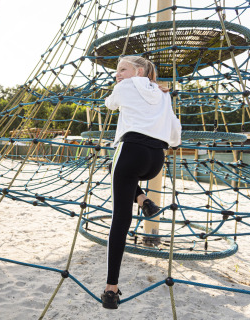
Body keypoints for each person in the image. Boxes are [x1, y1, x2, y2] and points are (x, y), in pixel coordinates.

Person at [101, 55, 182, 309]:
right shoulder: (163, 94)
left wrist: (124, 87)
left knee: (120, 221)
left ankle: (111, 289)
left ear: (139, 71)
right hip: (155, 159)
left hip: (131, 151)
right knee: (115, 168)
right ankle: (143, 198)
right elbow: (175, 132)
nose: (118, 74)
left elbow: (109, 104)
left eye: (122, 69)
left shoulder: (125, 86)